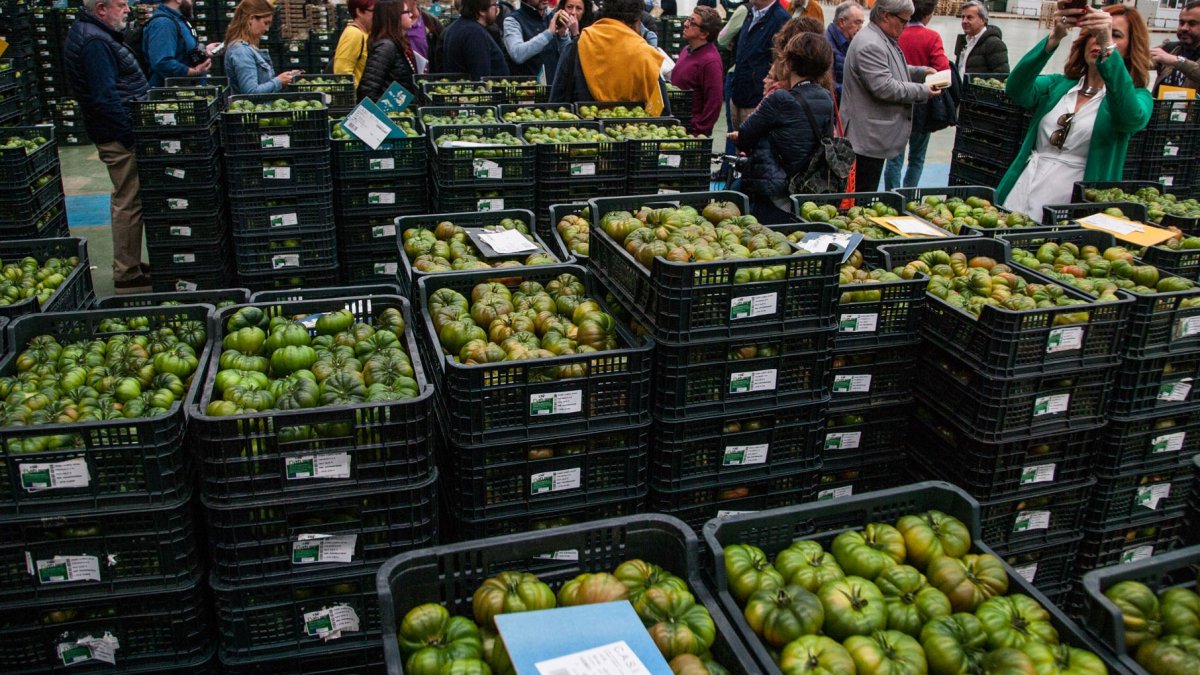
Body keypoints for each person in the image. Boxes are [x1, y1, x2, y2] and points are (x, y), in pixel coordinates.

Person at [999, 3, 1151, 217]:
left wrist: (1108, 46)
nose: (1099, 39)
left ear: (1130, 48)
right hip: (1023, 190)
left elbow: (1130, 118)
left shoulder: (1138, 96)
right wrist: (1054, 38)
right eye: (1093, 33)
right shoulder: (1059, 85)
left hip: (1073, 205)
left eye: (1114, 34)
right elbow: (1016, 89)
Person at [65, 0, 151, 292]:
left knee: (129, 196)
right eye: (120, 4)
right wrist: (128, 135)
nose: (127, 9)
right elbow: (105, 97)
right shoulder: (95, 42)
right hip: (117, 133)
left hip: (114, 129)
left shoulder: (92, 35)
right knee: (128, 199)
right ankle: (126, 272)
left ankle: (132, 264)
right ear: (102, 9)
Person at [729, 33, 835, 223]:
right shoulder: (826, 97)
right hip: (805, 187)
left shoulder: (780, 99)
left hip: (773, 188)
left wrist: (740, 137)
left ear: (790, 63)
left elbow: (745, 136)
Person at [841, 0, 939, 192]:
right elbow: (884, 86)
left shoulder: (882, 39)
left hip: (871, 137)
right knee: (861, 193)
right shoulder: (871, 44)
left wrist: (921, 72)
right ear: (886, 16)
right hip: (865, 139)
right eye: (903, 21)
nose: (905, 26)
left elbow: (890, 70)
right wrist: (923, 91)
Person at [550, 0, 667, 113]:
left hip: (581, 127)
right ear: (636, 18)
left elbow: (556, 100)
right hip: (632, 129)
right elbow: (663, 110)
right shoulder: (646, 54)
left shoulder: (578, 44)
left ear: (605, 11)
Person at [884, 0, 948, 189]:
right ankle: (909, 197)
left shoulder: (894, 35)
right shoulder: (932, 37)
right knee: (917, 158)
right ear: (929, 14)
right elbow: (942, 69)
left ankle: (891, 197)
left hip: (895, 102)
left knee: (894, 158)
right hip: (922, 103)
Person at [730, 0, 791, 130]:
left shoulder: (781, 19)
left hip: (757, 101)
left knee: (753, 147)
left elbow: (781, 62)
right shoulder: (750, 13)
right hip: (738, 95)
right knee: (738, 145)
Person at [225, 0, 300, 94]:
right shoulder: (241, 51)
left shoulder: (248, 47)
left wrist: (285, 78)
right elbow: (251, 92)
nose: (267, 29)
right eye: (266, 23)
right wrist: (278, 81)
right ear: (251, 19)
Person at [671, 6, 723, 134]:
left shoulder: (710, 62)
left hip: (691, 131)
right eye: (688, 19)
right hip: (677, 125)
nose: (686, 24)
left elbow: (714, 102)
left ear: (704, 34)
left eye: (692, 22)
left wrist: (698, 130)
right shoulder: (686, 50)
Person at [357, 0, 419, 101]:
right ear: (394, 16)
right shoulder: (386, 47)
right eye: (407, 11)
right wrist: (388, 110)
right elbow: (367, 90)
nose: (411, 14)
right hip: (390, 113)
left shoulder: (397, 44)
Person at [143, 0, 212, 87]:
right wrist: (193, 71)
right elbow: (162, 63)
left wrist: (204, 51)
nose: (193, 2)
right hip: (172, 93)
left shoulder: (178, 20)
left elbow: (183, 51)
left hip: (187, 89)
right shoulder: (163, 24)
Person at [503, 0, 572, 79]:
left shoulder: (554, 17)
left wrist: (563, 36)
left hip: (554, 87)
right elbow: (517, 54)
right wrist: (548, 33)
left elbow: (568, 59)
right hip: (528, 88)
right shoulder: (512, 20)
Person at [441, 0, 510, 77]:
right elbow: (481, 76)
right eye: (495, 5)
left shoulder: (457, 27)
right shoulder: (475, 33)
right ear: (481, 11)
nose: (497, 9)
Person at [1150, 0, 1200, 97]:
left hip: (1192, 111)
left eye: (1192, 23)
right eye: (1181, 23)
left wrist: (1176, 61)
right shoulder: (1170, 48)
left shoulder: (1169, 56)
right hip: (1161, 110)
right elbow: (1139, 60)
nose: (1184, 28)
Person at [954, 0, 1008, 76]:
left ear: (983, 20)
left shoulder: (994, 44)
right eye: (963, 17)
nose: (964, 21)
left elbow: (1002, 77)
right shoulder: (963, 41)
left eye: (969, 17)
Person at [825, 1, 866, 99]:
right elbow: (826, 84)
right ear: (842, 22)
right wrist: (859, 91)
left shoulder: (851, 41)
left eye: (861, 23)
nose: (860, 28)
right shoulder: (827, 45)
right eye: (857, 22)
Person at [333, 0, 374, 86]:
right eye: (373, 11)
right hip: (359, 97)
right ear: (359, 12)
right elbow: (342, 72)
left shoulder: (366, 33)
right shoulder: (353, 34)